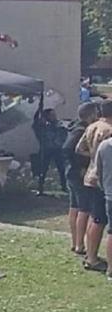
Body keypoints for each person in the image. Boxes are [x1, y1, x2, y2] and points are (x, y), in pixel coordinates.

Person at [75, 99, 112, 272]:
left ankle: (91, 254)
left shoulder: (92, 126)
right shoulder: (108, 130)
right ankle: (92, 258)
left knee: (94, 217)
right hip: (103, 179)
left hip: (91, 174)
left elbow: (79, 148)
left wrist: (93, 157)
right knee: (100, 220)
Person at [65, 102, 99, 255]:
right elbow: (68, 148)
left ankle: (75, 242)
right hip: (78, 173)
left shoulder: (74, 127)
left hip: (71, 172)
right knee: (84, 209)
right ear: (91, 115)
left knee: (75, 207)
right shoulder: (80, 130)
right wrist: (81, 165)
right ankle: (79, 244)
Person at [32, 107, 68, 195]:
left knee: (62, 169)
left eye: (54, 114)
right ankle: (40, 187)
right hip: (46, 149)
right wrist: (39, 112)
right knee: (42, 169)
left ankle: (64, 186)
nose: (54, 116)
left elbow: (64, 132)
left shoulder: (59, 125)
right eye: (52, 115)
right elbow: (35, 124)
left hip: (58, 149)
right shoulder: (42, 127)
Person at [92, 136, 112, 282]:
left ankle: (111, 268)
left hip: (109, 193)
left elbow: (98, 170)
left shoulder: (104, 145)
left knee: (111, 231)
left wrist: (104, 187)